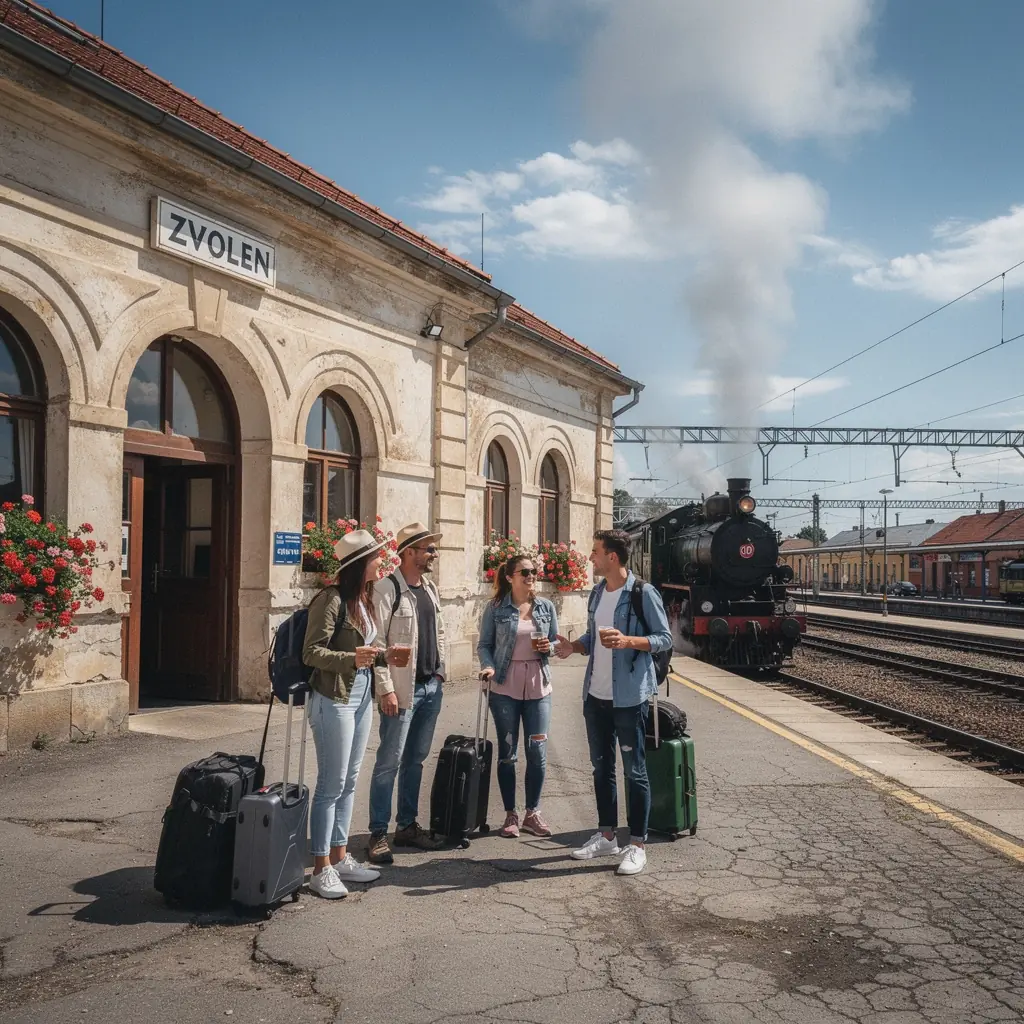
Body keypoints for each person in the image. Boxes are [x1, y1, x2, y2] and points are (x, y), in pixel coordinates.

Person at [555, 529, 672, 876]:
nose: (590, 557)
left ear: (613, 557)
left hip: (628, 697)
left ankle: (637, 844)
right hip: (596, 694)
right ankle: (607, 835)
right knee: (601, 768)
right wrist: (572, 647)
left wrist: (629, 640)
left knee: (634, 771)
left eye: (595, 552)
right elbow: (594, 638)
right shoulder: (597, 593)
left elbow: (664, 638)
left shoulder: (642, 592)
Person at [302, 529, 400, 899]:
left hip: (360, 693)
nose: (382, 562)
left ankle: (341, 857)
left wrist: (385, 657)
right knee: (331, 783)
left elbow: (369, 649)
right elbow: (310, 653)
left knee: (350, 780)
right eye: (376, 557)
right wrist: (351, 659)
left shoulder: (366, 599)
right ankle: (320, 867)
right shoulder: (329, 600)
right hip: (333, 697)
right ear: (360, 564)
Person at [366, 522, 448, 864]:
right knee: (389, 761)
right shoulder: (387, 589)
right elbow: (376, 643)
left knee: (415, 760)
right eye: (428, 548)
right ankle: (377, 834)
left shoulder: (429, 587)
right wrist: (385, 689)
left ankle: (407, 826)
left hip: (430, 687)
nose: (434, 553)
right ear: (409, 552)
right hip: (401, 690)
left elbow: (440, 632)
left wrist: (441, 672)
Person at [477, 553, 559, 839]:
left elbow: (557, 641)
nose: (531, 576)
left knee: (537, 753)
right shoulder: (496, 608)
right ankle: (511, 814)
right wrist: (487, 666)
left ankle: (532, 813)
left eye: (534, 571)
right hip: (504, 686)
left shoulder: (546, 607)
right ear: (510, 577)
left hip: (538, 684)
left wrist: (550, 645)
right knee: (508, 754)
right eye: (525, 572)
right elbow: (484, 644)